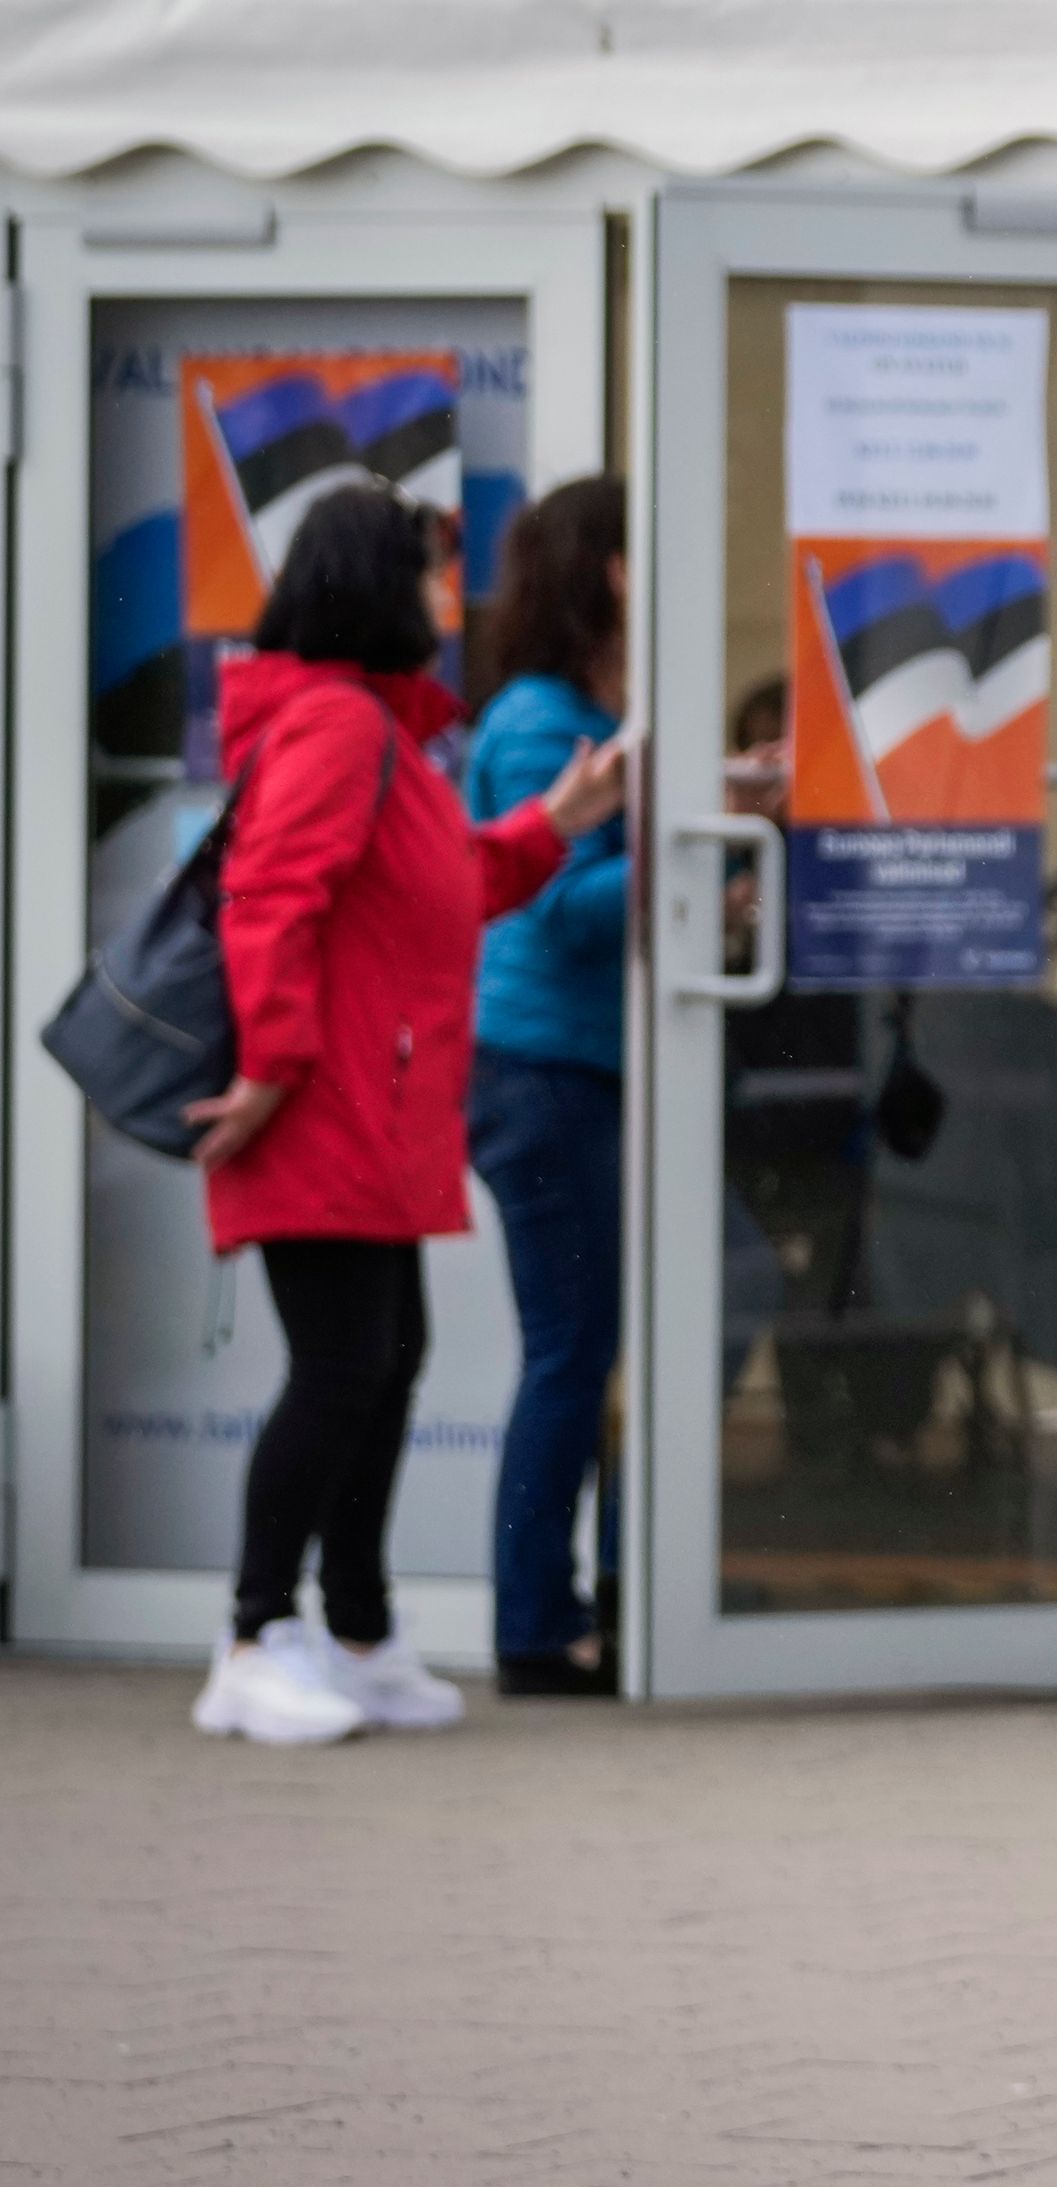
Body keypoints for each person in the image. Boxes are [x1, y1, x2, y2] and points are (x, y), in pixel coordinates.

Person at [185, 484, 627, 1746]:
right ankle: (255, 1635)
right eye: (429, 576)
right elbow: (270, 898)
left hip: (373, 1111)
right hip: (319, 1104)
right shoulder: (334, 727)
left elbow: (454, 879)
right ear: (372, 584)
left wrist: (557, 821)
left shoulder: (382, 731)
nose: (449, 602)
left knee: (383, 1364)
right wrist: (272, 1065)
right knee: (338, 1370)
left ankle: (360, 1629)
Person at [464, 475, 628, 1696]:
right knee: (569, 1350)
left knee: (586, 1345)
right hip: (541, 1072)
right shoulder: (536, 719)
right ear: (612, 572)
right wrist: (691, 873)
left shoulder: (575, 711)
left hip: (572, 1070)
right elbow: (561, 906)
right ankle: (534, 1627)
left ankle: (599, 1598)